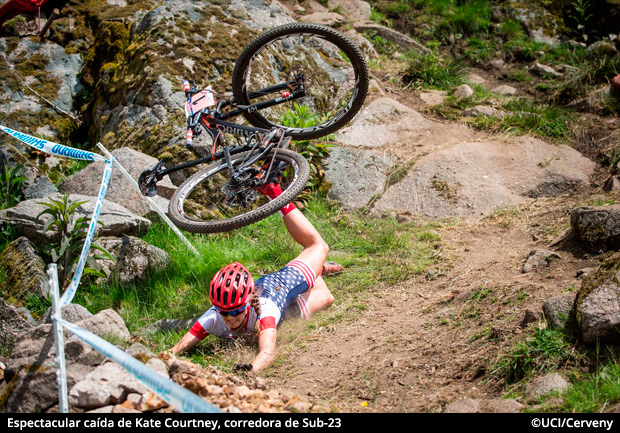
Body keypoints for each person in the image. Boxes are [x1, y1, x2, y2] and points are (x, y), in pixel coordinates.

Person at [170, 177, 336, 372]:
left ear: (247, 303)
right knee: (325, 299)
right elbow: (176, 350)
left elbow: (267, 353)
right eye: (224, 312)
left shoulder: (266, 310)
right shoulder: (214, 316)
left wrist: (251, 369)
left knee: (317, 246)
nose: (230, 317)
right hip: (282, 310)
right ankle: (317, 270)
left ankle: (275, 193)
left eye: (236, 311)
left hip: (280, 285)